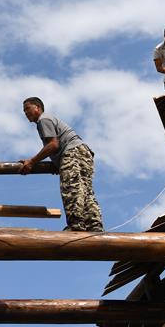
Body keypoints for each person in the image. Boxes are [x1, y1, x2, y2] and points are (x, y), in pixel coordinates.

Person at [19, 97, 103, 232]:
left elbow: (53, 144)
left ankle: (76, 225)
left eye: (27, 109)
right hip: (83, 152)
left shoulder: (43, 119)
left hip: (72, 152)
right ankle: (94, 225)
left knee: (71, 186)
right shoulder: (48, 119)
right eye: (24, 111)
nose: (25, 113)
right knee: (85, 190)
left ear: (38, 108)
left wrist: (32, 161)